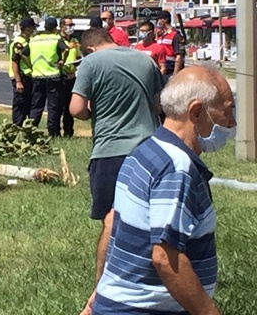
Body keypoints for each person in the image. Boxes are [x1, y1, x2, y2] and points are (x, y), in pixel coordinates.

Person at [90, 64, 235, 315]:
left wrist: (99, 294)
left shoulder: (146, 151)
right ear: (197, 112)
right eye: (228, 111)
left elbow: (112, 222)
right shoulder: (177, 168)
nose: (231, 123)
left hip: (114, 305)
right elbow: (166, 258)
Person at [69, 28, 165, 315]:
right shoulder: (145, 60)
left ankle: (100, 293)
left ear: (89, 48)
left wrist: (92, 112)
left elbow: (76, 110)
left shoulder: (90, 63)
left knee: (112, 220)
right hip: (150, 149)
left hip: (111, 151)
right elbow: (159, 105)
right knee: (150, 221)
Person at [23, 17, 66, 134]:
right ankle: (53, 132)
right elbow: (65, 50)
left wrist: (31, 66)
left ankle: (30, 130)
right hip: (53, 76)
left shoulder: (34, 40)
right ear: (55, 28)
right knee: (53, 106)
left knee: (36, 106)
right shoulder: (56, 38)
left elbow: (23, 53)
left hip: (37, 76)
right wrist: (62, 61)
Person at [9, 17, 37, 126]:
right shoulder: (18, 43)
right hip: (21, 77)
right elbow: (15, 62)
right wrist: (18, 81)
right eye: (31, 28)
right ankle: (17, 128)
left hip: (27, 76)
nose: (33, 31)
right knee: (20, 105)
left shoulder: (27, 41)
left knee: (27, 104)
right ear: (26, 29)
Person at [58, 16, 80, 137]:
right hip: (60, 76)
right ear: (62, 26)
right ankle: (55, 132)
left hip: (72, 77)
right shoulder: (58, 40)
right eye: (69, 25)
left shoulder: (75, 41)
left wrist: (78, 62)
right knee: (57, 107)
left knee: (69, 107)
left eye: (72, 24)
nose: (71, 27)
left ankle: (68, 132)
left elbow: (77, 56)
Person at [156, 10, 186, 76]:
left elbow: (179, 56)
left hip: (170, 67)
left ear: (165, 20)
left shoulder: (175, 35)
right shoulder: (160, 35)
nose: (157, 22)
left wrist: (175, 74)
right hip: (160, 66)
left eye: (158, 20)